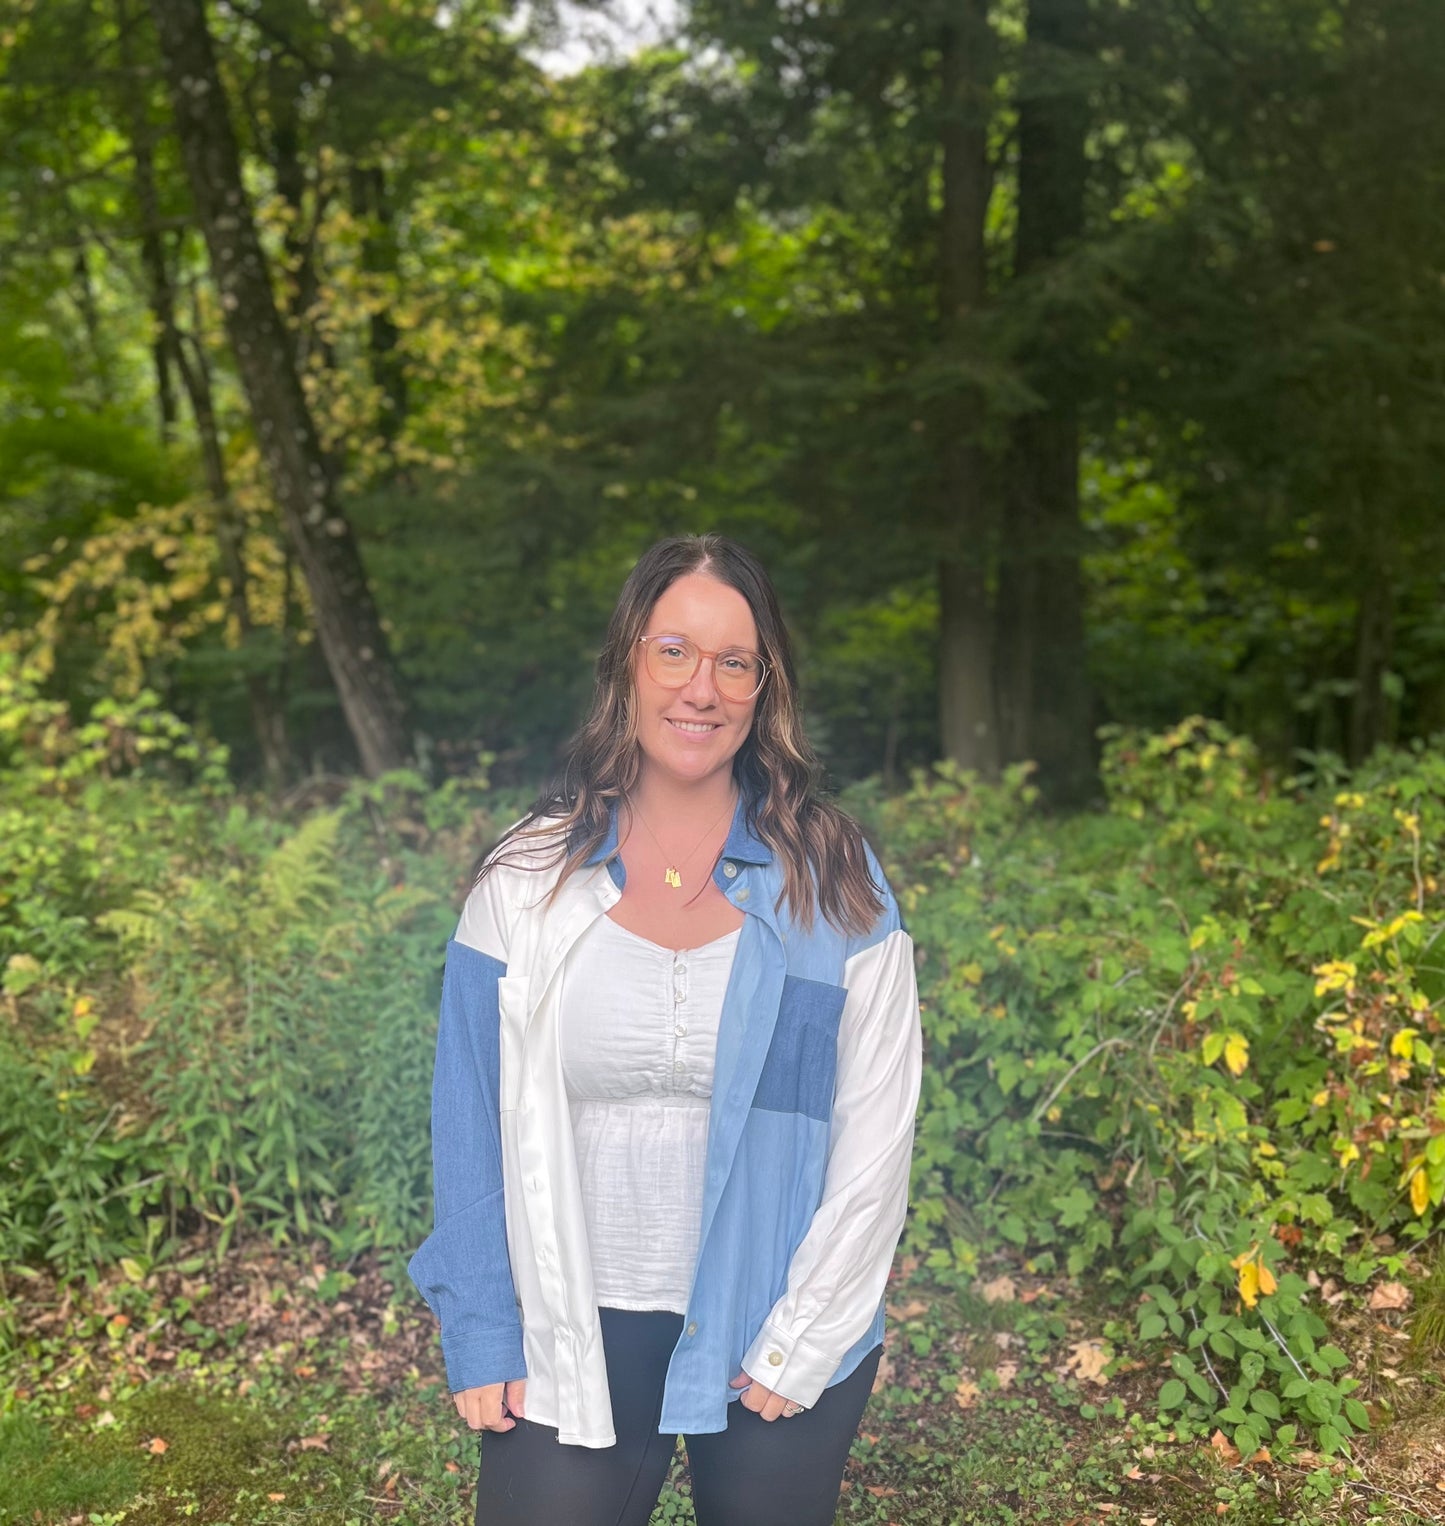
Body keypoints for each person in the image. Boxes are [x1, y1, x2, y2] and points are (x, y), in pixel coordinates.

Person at [407, 533, 922, 1526]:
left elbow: (875, 1132)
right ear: (626, 665)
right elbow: (466, 1114)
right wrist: (481, 1329)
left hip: (769, 1314)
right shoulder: (524, 879)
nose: (703, 688)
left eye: (735, 661)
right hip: (572, 1326)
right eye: (674, 650)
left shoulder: (836, 879)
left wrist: (803, 1334)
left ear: (763, 686)